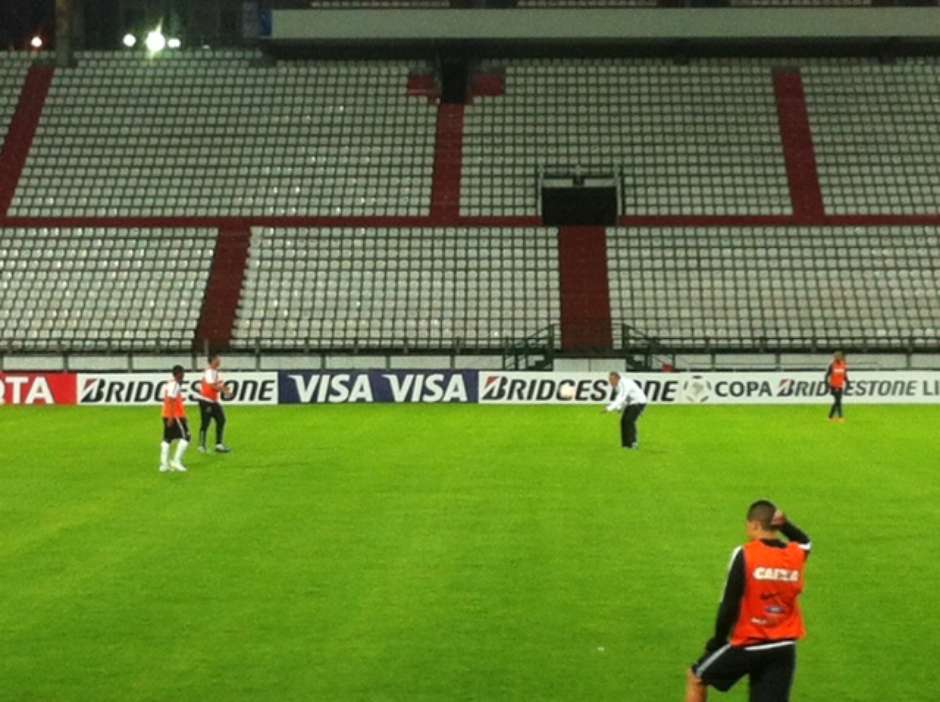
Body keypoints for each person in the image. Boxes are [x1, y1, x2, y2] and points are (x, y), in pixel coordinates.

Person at [686, 500, 812, 702]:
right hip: (783, 649)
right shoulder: (794, 554)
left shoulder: (746, 554)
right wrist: (785, 524)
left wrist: (717, 642)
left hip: (748, 645)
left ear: (754, 525)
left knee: (697, 678)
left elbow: (729, 604)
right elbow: (806, 542)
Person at [197, 353, 232, 454]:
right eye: (218, 359)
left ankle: (218, 445)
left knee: (221, 420)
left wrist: (224, 389)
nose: (219, 361)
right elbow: (212, 386)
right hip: (206, 401)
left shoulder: (215, 372)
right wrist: (224, 390)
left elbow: (217, 385)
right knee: (205, 423)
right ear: (212, 360)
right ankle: (201, 445)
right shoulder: (209, 372)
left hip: (213, 401)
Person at [604, 372, 648, 449]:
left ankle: (633, 443)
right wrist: (619, 408)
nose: (610, 382)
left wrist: (609, 408)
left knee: (629, 421)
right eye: (609, 380)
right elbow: (623, 398)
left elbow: (621, 397)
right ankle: (626, 444)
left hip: (638, 402)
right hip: (631, 403)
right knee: (623, 421)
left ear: (617, 378)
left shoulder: (623, 383)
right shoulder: (618, 385)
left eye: (611, 380)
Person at [160, 365, 191, 473]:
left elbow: (169, 399)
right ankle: (176, 461)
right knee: (186, 436)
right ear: (178, 374)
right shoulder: (175, 385)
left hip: (166, 414)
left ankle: (164, 465)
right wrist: (171, 417)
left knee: (167, 438)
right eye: (182, 374)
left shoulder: (169, 384)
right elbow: (171, 400)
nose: (183, 376)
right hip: (175, 415)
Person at [824, 351, 849, 422]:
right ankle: (840, 417)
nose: (838, 357)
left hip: (840, 386)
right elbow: (826, 376)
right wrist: (827, 385)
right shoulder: (832, 365)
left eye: (839, 356)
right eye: (836, 356)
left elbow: (845, 375)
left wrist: (847, 382)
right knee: (838, 401)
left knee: (837, 402)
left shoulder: (843, 364)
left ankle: (830, 417)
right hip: (833, 386)